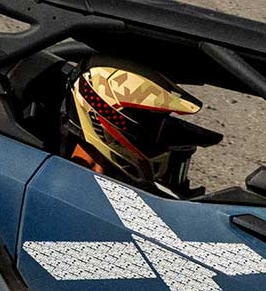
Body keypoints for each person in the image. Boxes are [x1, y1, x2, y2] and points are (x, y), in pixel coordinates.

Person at [60, 58, 221, 196]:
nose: (157, 139)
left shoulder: (94, 183)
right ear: (116, 118)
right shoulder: (75, 188)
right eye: (152, 124)